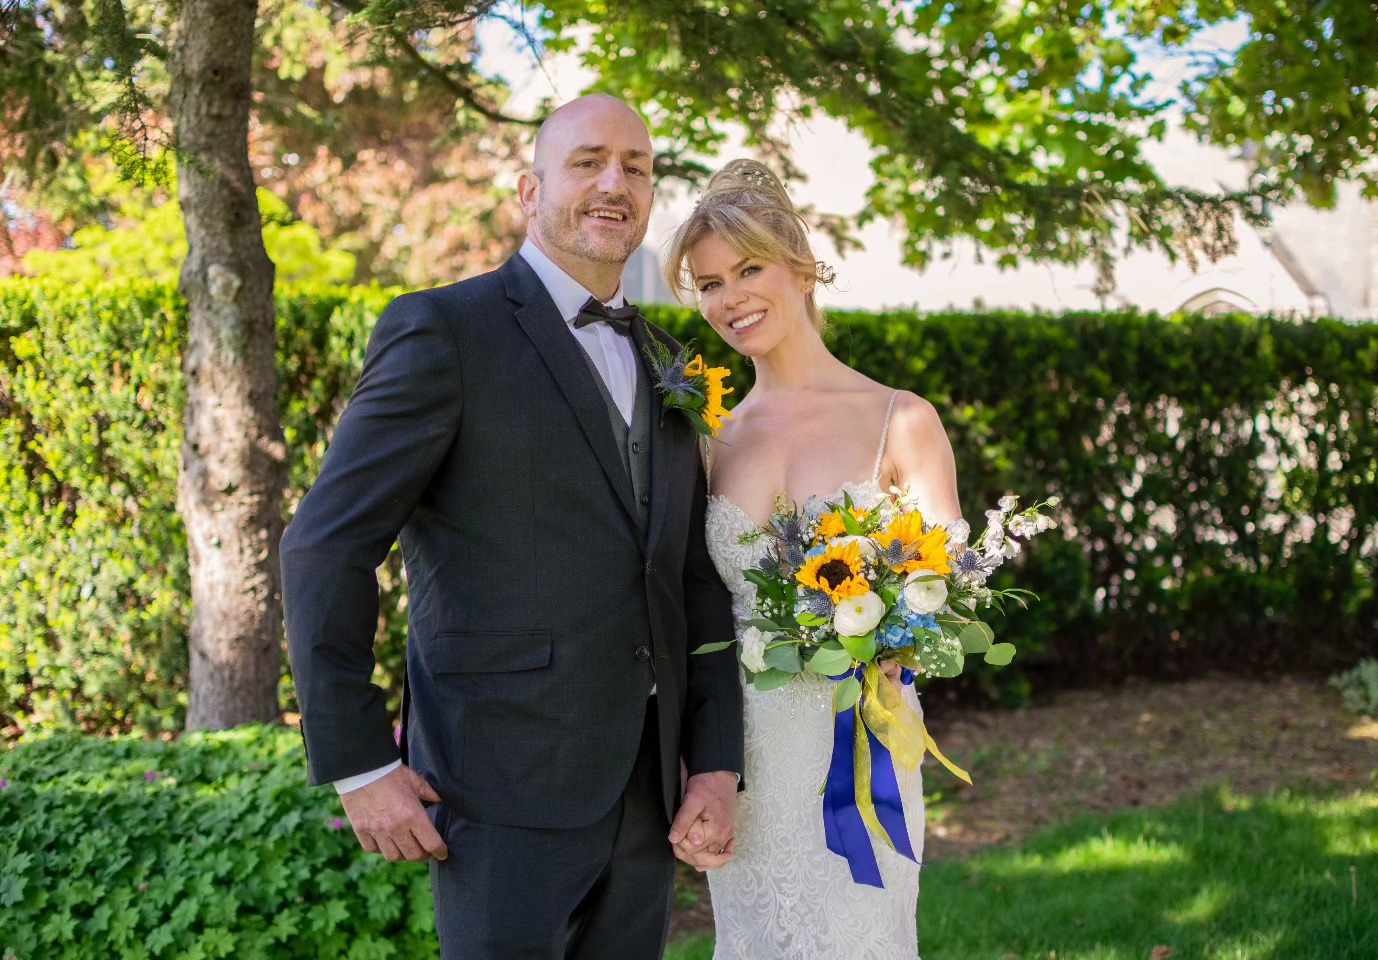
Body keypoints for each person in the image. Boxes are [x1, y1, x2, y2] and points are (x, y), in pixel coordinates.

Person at [280, 94, 743, 960]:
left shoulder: (666, 360)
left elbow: (686, 578)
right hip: (497, 786)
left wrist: (715, 760)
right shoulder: (443, 330)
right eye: (587, 162)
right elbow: (327, 546)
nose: (616, 183)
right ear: (529, 194)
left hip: (646, 790)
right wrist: (359, 761)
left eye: (636, 168)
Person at [662, 159, 963, 959]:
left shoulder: (902, 422)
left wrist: (882, 642)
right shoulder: (707, 438)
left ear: (801, 267)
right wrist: (702, 764)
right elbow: (695, 609)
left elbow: (949, 595)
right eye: (710, 283)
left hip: (861, 754)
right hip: (746, 759)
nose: (731, 298)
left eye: (749, 268)